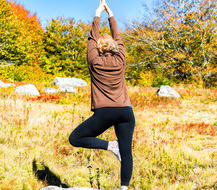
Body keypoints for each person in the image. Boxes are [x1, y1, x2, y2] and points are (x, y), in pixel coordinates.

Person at [68, 0, 136, 189]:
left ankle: (110, 146)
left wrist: (97, 13)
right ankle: (124, 187)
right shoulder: (121, 60)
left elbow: (92, 37)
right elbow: (118, 36)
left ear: (97, 48)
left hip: (105, 112)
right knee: (127, 152)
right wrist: (110, 14)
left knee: (75, 138)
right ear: (115, 47)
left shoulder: (94, 61)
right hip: (126, 112)